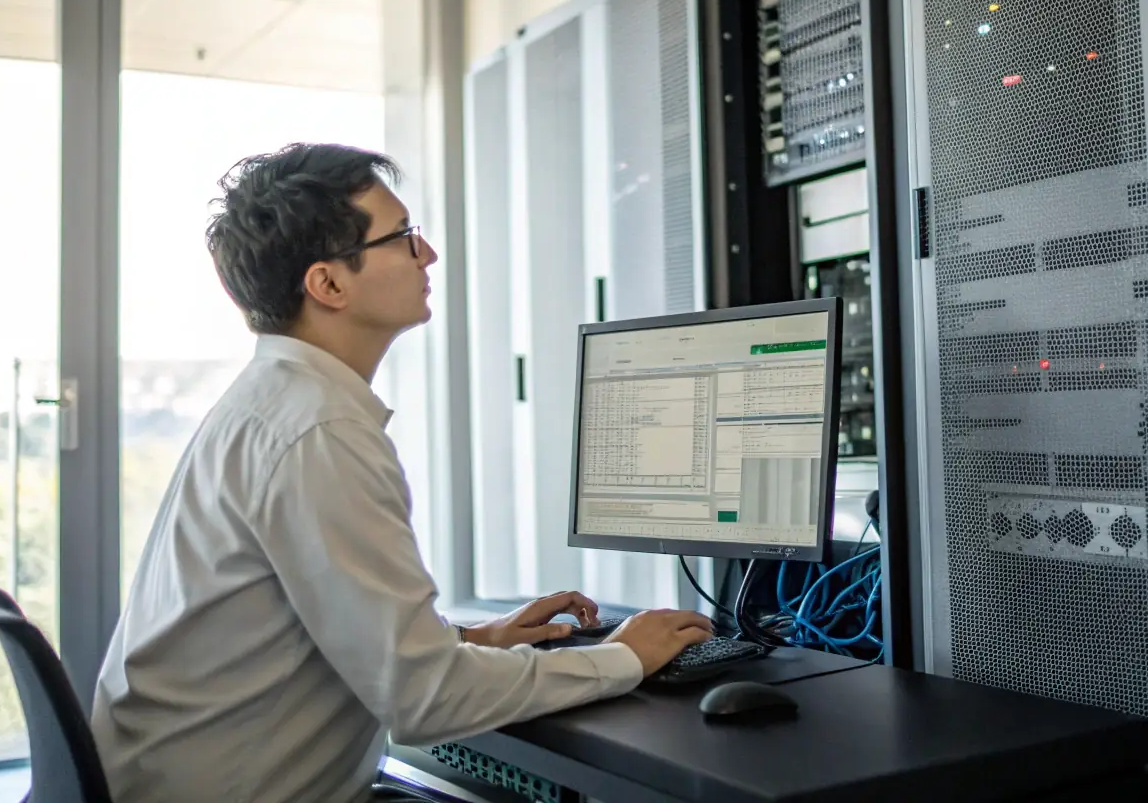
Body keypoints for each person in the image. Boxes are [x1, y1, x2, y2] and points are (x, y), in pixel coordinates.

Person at [91, 143, 713, 803]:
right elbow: (427, 700)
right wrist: (624, 657)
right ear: (329, 285)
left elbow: (325, 630)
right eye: (403, 238)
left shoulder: (275, 400)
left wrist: (476, 639)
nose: (428, 255)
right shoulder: (319, 430)